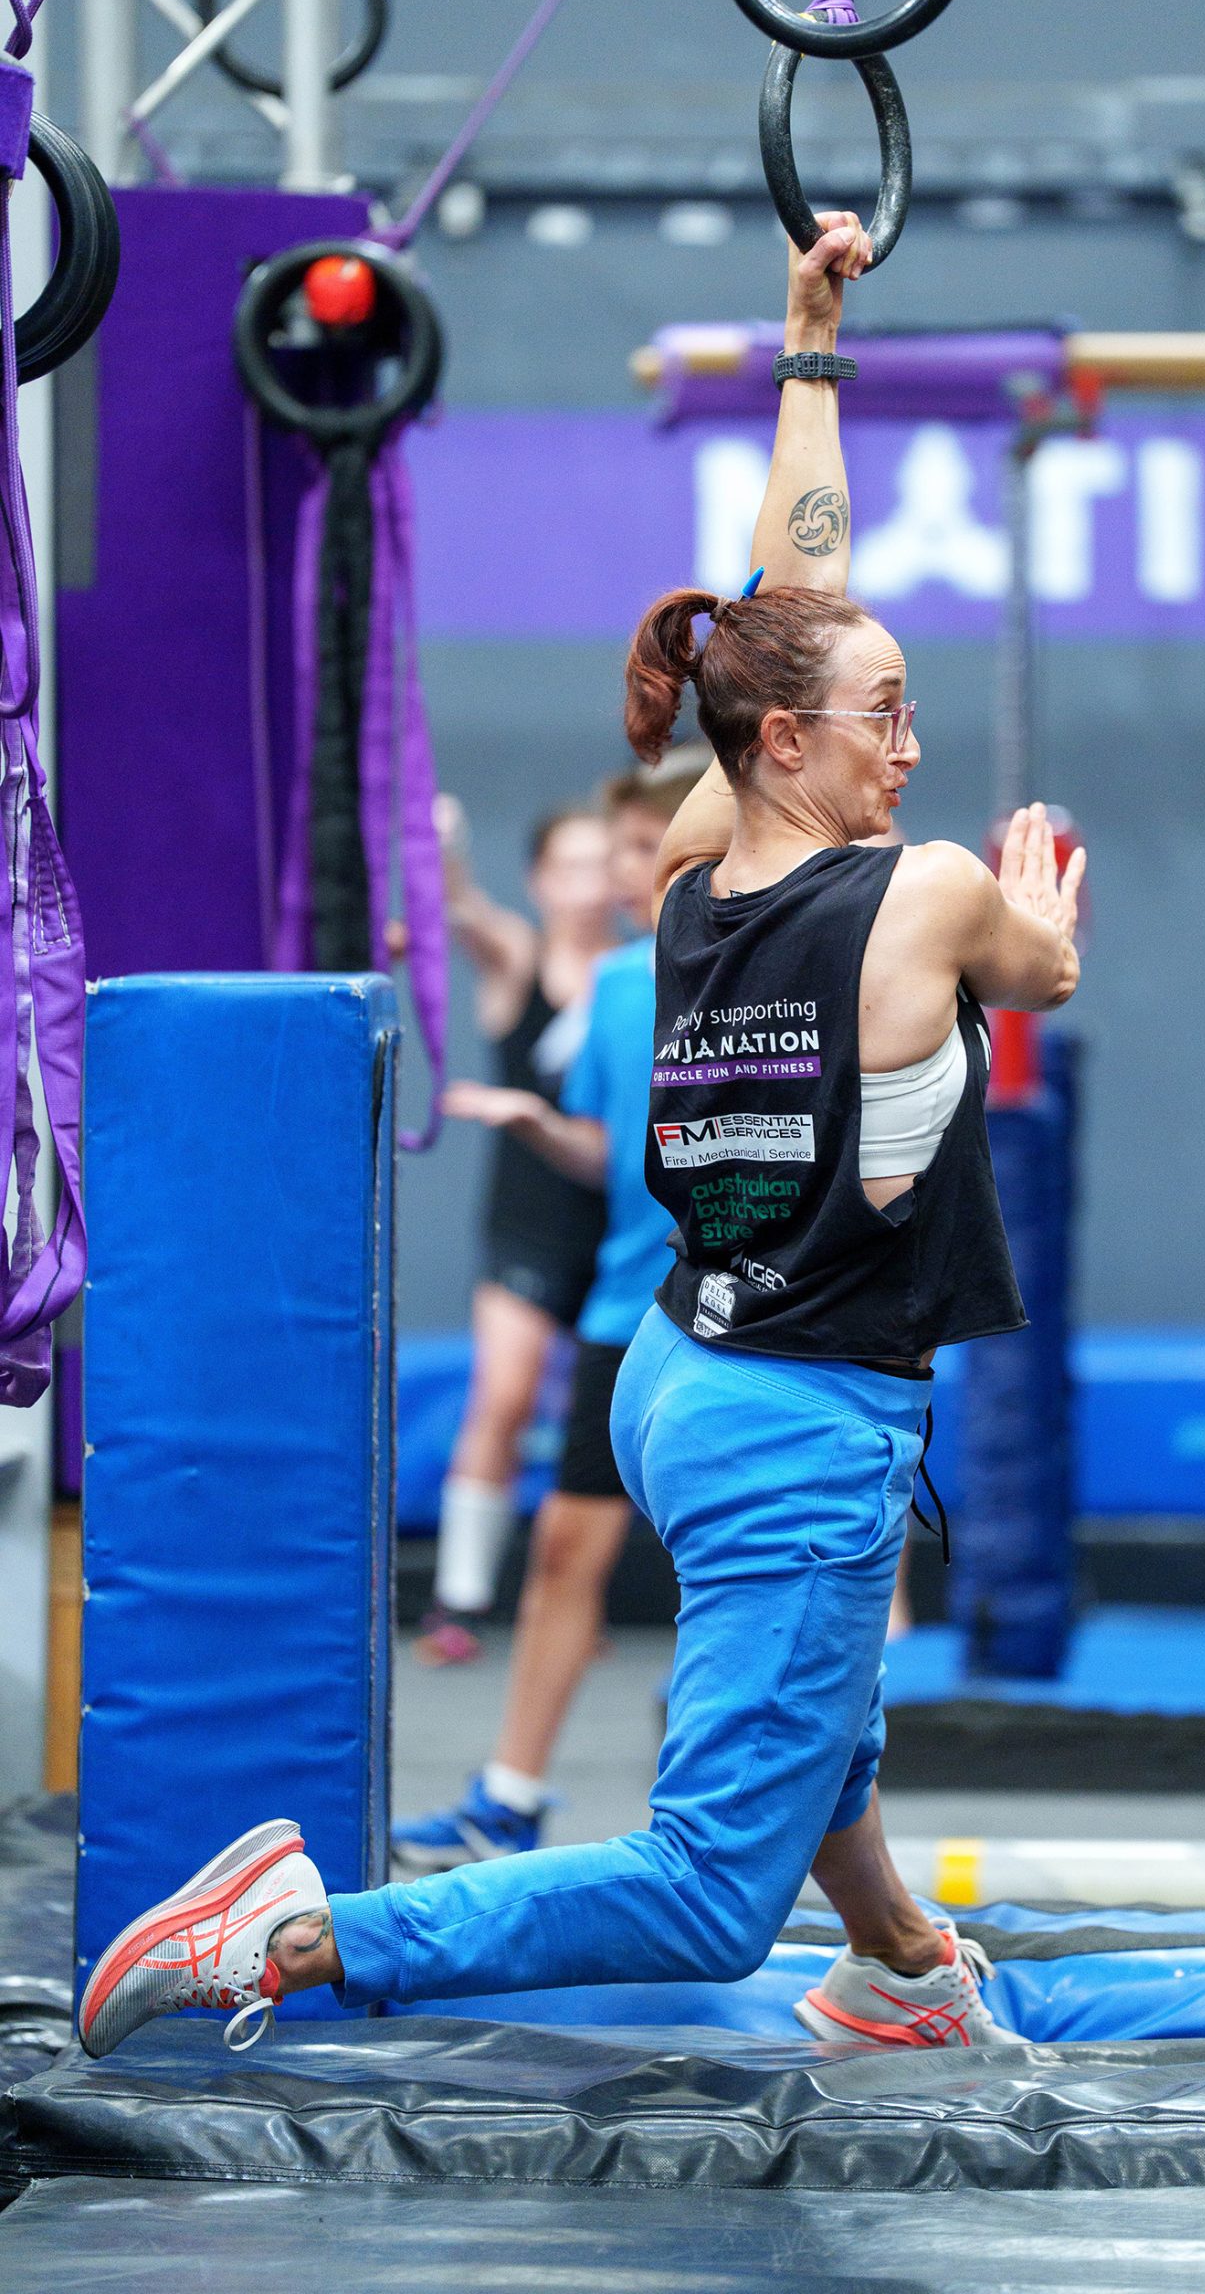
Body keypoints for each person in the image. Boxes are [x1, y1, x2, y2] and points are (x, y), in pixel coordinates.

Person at [77, 210, 1086, 2061]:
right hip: (799, 1417)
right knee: (708, 1892)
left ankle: (894, 1963)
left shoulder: (689, 872)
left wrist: (807, 349)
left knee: (813, 1712)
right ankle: (290, 1937)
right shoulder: (933, 889)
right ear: (782, 743)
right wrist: (1043, 913)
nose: (907, 745)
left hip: (677, 1381)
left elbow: (788, 593)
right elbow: (1047, 969)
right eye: (883, 717)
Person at [393, 749, 710, 1869]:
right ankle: (508, 1796)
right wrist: (536, 1125)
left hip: (743, 1314)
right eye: (618, 849)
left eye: (639, 847)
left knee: (748, 1562)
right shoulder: (616, 988)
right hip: (628, 1312)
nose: (621, 870)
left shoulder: (773, 970)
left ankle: (752, 1814)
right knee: (567, 1552)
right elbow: (603, 1146)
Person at [418, 798, 616, 1665]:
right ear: (538, 881)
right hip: (528, 1229)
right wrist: (445, 848)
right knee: (503, 1399)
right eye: (568, 867)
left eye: (601, 865)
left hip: (620, 1229)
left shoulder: (643, 973)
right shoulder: (516, 959)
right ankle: (459, 1601)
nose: (587, 885)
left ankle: (575, 1599)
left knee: (608, 1423)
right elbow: (457, 909)